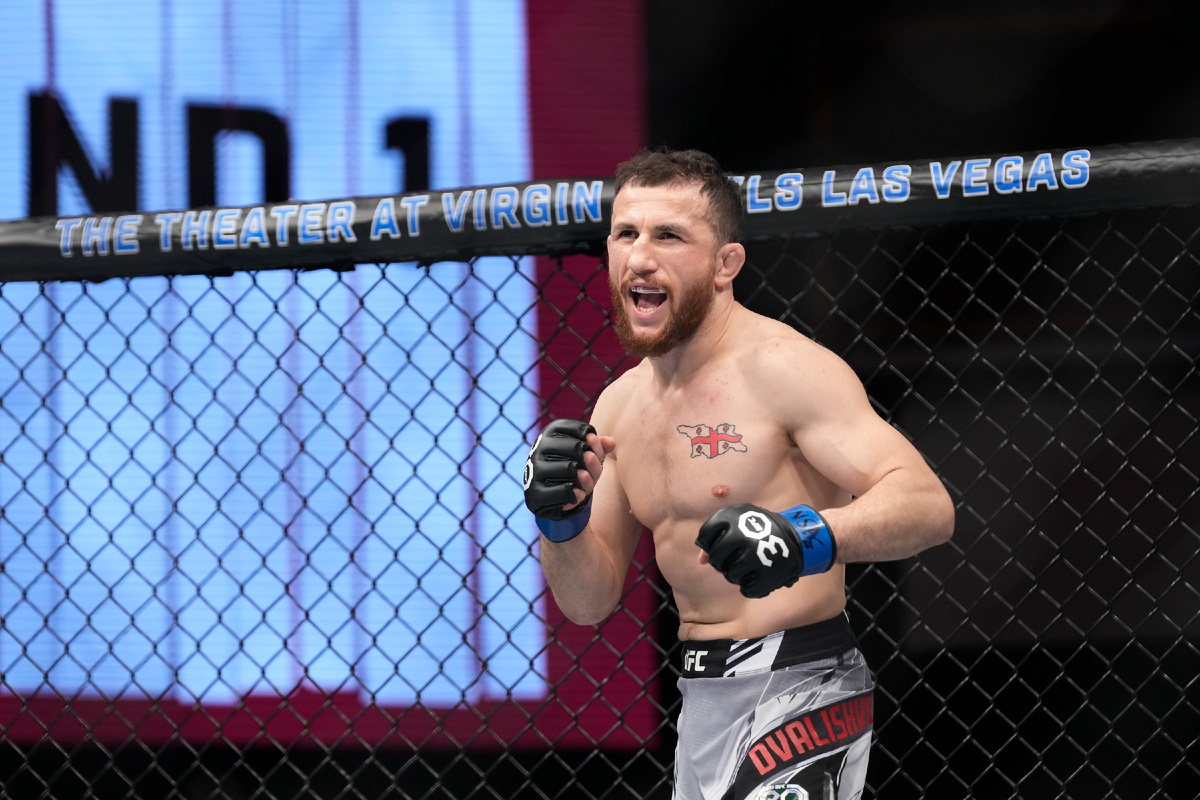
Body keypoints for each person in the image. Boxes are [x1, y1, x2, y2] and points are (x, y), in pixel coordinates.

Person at [523, 148, 955, 800]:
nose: (640, 257)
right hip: (702, 695)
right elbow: (587, 603)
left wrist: (804, 536)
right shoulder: (618, 407)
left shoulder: (783, 368)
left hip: (802, 680)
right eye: (625, 233)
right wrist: (560, 520)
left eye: (669, 236)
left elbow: (926, 504)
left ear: (726, 264)